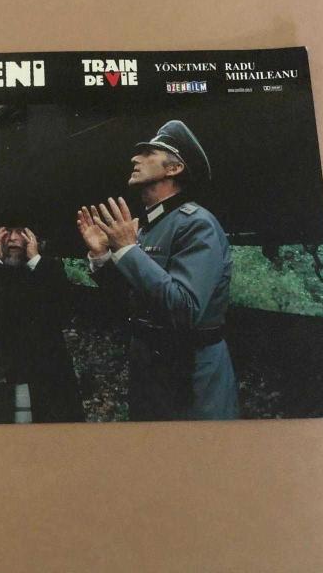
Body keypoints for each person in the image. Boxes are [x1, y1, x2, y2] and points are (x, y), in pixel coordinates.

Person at [76, 120, 238, 420]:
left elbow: (185, 310)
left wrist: (128, 250)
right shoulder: (148, 228)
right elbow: (131, 300)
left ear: (174, 168)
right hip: (150, 374)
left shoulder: (197, 224)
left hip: (190, 379)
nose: (134, 158)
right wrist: (102, 256)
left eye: (148, 153)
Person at [0, 223, 84, 423]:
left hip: (49, 374)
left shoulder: (49, 268)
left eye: (20, 232)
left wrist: (35, 259)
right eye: (7, 232)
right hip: (6, 374)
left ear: (34, 238)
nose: (12, 238)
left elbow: (61, 307)